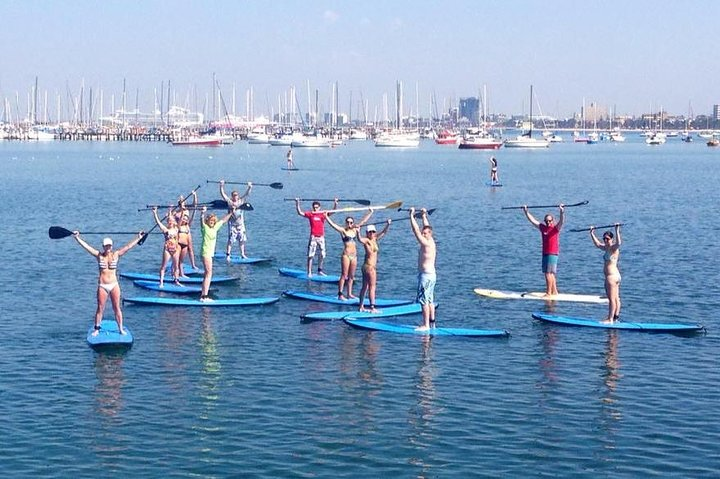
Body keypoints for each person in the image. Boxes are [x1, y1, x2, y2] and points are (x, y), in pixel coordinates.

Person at [73, 231, 144, 336]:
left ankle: (120, 329)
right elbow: (87, 247)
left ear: (112, 246)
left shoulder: (116, 254)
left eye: (109, 246)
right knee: (100, 308)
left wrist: (138, 238)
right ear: (103, 246)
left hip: (114, 285)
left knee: (117, 308)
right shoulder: (99, 255)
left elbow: (128, 247)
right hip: (103, 285)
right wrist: (77, 238)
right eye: (106, 246)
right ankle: (97, 329)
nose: (108, 248)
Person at [325, 210, 374, 300]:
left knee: (351, 276)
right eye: (348, 222)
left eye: (351, 222)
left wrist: (370, 212)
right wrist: (326, 217)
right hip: (346, 255)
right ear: (346, 223)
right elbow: (333, 225)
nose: (349, 224)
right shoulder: (343, 230)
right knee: (344, 275)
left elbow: (363, 221)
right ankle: (340, 294)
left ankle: (349, 294)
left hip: (354, 256)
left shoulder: (355, 230)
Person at [523, 204, 565, 296]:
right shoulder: (543, 228)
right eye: (546, 221)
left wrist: (561, 211)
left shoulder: (555, 228)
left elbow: (562, 221)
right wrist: (526, 212)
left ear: (552, 221)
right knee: (551, 274)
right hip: (545, 253)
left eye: (549, 221)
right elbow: (532, 220)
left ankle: (548, 293)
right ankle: (555, 292)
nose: (548, 222)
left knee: (548, 273)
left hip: (552, 253)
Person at [295, 198, 339, 276]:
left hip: (321, 237)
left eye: (317, 207)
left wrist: (335, 203)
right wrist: (297, 203)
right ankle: (309, 272)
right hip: (313, 237)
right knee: (311, 255)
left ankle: (320, 271)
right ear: (313, 207)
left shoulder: (322, 214)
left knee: (322, 255)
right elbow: (300, 213)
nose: (315, 209)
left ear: (319, 207)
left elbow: (333, 211)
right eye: (314, 207)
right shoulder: (311, 214)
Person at [199, 206, 234, 301]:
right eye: (210, 220)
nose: (212, 222)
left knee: (207, 274)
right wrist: (202, 213)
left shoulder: (215, 228)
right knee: (208, 273)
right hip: (205, 253)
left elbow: (223, 220)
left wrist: (231, 212)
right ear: (207, 221)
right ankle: (204, 296)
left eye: (213, 221)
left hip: (210, 254)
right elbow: (201, 222)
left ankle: (204, 295)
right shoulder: (205, 228)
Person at [410, 208, 437, 331]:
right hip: (431, 275)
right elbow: (426, 226)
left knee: (423, 301)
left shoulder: (426, 243)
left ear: (430, 234)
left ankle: (425, 325)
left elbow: (415, 231)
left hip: (426, 277)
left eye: (425, 233)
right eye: (423, 233)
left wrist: (411, 216)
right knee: (430, 300)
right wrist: (424, 215)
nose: (423, 234)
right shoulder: (431, 240)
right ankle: (432, 323)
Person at [357, 220, 391, 312]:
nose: (372, 233)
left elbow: (383, 232)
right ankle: (372, 307)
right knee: (372, 287)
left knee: (365, 287)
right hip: (370, 267)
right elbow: (360, 239)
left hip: (365, 266)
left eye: (373, 231)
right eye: (370, 232)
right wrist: (358, 232)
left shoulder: (375, 239)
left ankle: (361, 307)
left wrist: (388, 224)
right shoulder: (367, 240)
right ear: (367, 233)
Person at [590, 224, 622, 323]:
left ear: (611, 239)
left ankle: (610, 318)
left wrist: (617, 230)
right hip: (615, 276)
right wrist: (592, 233)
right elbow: (597, 244)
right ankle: (615, 318)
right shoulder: (606, 248)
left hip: (612, 277)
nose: (605, 241)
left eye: (607, 239)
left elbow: (619, 243)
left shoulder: (613, 248)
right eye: (604, 239)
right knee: (616, 298)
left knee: (612, 299)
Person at [219, 180, 252, 259]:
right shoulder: (229, 202)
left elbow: (247, 194)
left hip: (240, 224)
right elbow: (223, 194)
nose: (235, 196)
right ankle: (228, 255)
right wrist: (221, 186)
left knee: (242, 240)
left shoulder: (241, 201)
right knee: (230, 240)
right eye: (234, 195)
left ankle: (242, 254)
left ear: (238, 196)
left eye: (236, 195)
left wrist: (249, 187)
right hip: (232, 225)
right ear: (232, 196)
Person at [152, 206, 181, 287]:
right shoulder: (165, 229)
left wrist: (172, 210)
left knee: (176, 266)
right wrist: (155, 213)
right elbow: (158, 222)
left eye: (172, 221)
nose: (170, 222)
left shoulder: (176, 228)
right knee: (163, 266)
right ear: (167, 222)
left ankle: (177, 281)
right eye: (169, 221)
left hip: (175, 249)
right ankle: (161, 282)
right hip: (167, 249)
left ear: (174, 222)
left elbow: (181, 218)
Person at [173, 191, 199, 276]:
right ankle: (177, 270)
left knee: (190, 248)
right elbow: (172, 221)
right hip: (180, 232)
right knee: (179, 251)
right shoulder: (176, 213)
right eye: (181, 203)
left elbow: (195, 205)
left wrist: (194, 195)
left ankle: (193, 265)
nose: (183, 205)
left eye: (183, 203)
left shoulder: (187, 210)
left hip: (187, 230)